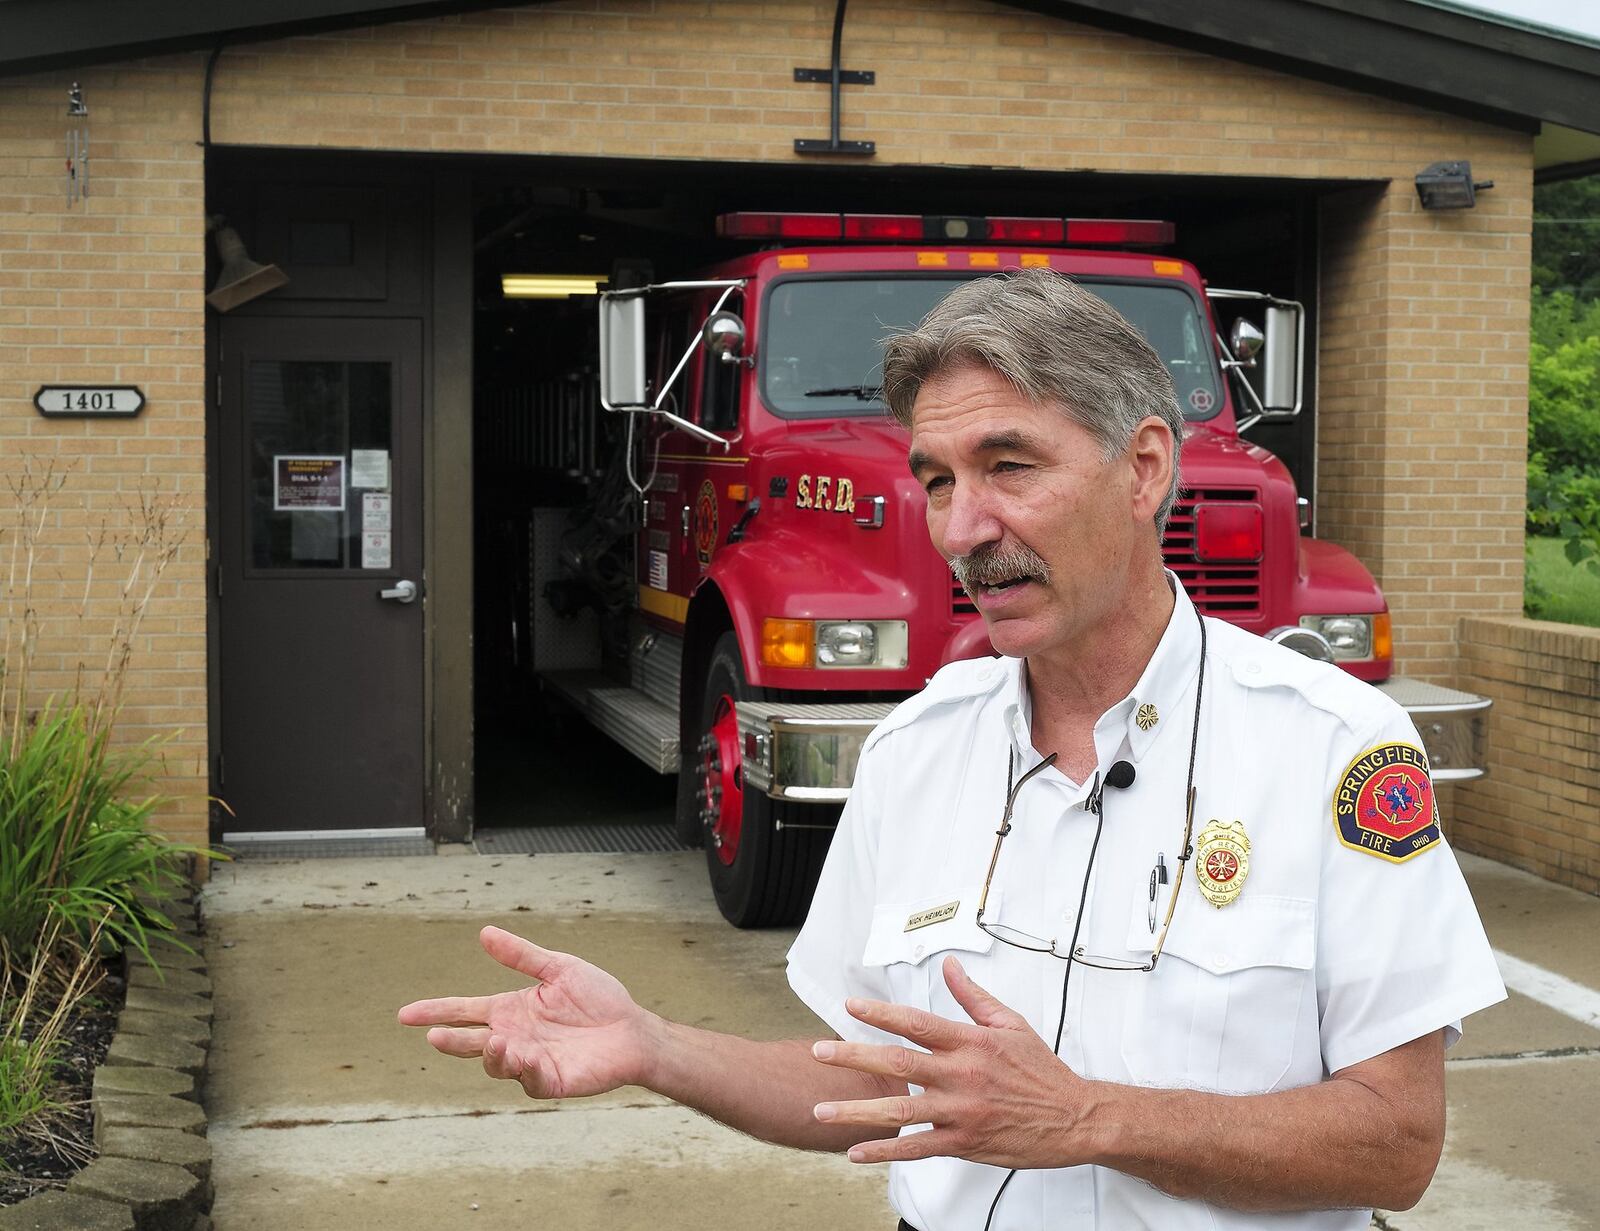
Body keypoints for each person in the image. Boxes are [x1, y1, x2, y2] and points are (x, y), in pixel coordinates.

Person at [399, 269, 1506, 1230]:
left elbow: (1394, 1145)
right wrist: (652, 1044)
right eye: (936, 478)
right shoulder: (915, 752)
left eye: (1009, 465)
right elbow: (873, 1085)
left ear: (1145, 469)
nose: (961, 528)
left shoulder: (1332, 747)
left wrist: (1083, 1117)